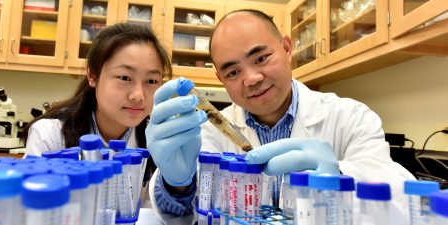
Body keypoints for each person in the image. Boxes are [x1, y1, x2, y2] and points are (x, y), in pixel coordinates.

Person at [145, 9, 415, 224]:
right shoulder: (209, 131)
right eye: (233, 72)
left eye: (261, 58)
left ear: (287, 48)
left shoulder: (351, 117)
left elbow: (403, 196)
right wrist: (177, 185)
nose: (251, 78)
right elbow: (187, 212)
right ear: (221, 79)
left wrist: (340, 175)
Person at [23, 23, 171, 156]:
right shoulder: (50, 135)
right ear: (92, 75)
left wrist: (178, 185)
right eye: (125, 78)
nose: (138, 96)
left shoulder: (159, 139)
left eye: (151, 81)